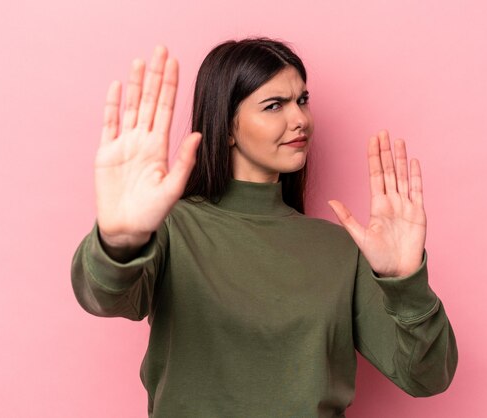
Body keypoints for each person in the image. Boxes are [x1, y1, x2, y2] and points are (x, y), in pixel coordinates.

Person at [71, 38, 457, 417]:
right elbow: (105, 297)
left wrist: (406, 282)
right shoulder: (174, 227)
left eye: (302, 100)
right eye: (274, 105)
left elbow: (426, 377)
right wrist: (120, 242)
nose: (300, 120)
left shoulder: (339, 247)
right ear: (226, 129)